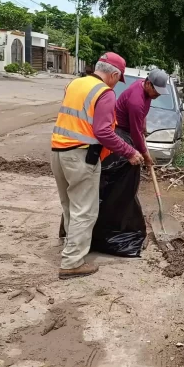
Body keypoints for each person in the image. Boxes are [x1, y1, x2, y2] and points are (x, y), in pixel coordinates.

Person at [51, 52, 144, 280]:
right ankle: (72, 263)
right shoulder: (105, 93)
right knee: (86, 210)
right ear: (113, 74)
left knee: (70, 205)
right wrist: (129, 151)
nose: (116, 83)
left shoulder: (75, 84)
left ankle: (72, 248)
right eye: (117, 78)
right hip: (81, 156)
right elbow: (103, 131)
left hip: (58, 152)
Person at [115, 68, 170, 165]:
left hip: (129, 130)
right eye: (157, 90)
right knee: (130, 164)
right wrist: (147, 157)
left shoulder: (143, 85)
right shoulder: (136, 102)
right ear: (148, 83)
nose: (159, 94)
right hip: (121, 132)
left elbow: (143, 109)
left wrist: (143, 123)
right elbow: (136, 133)